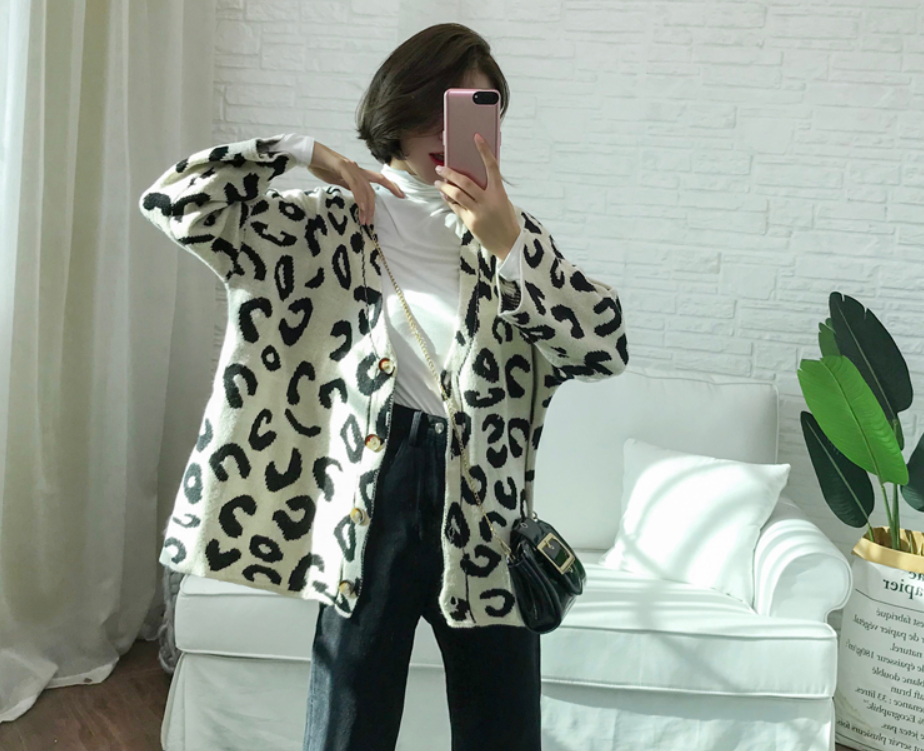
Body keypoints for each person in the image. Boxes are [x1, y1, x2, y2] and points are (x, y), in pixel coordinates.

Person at [139, 21, 628, 751]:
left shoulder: (510, 238)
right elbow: (177, 202)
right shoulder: (327, 224)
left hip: (486, 509)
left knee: (502, 731)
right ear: (396, 109)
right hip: (371, 497)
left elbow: (605, 346)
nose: (447, 131)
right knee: (347, 725)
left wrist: (511, 242)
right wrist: (303, 153)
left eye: (471, 111)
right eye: (435, 106)